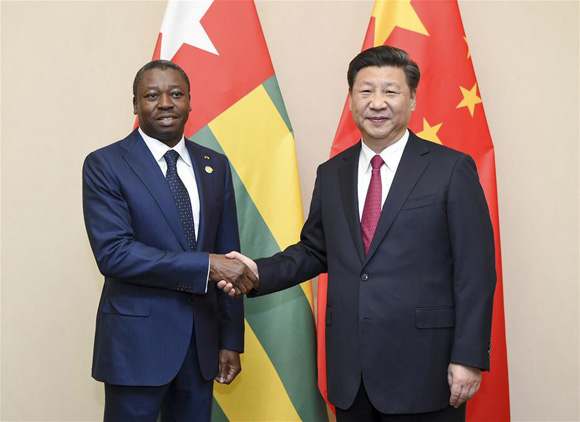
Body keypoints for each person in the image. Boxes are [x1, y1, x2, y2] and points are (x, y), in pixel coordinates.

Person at [220, 46, 496, 422]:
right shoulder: (333, 172)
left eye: (391, 91)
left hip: (426, 369)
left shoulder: (451, 169)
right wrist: (257, 270)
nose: (377, 103)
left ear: (412, 99)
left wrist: (468, 356)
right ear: (351, 99)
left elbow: (475, 271)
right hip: (351, 373)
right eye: (365, 91)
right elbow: (315, 251)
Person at [82, 60, 257, 422]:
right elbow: (115, 254)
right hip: (136, 347)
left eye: (176, 94)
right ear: (135, 105)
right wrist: (207, 265)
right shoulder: (106, 164)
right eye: (151, 95)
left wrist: (229, 339)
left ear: (190, 101)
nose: (165, 103)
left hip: (202, 345)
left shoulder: (215, 165)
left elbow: (230, 256)